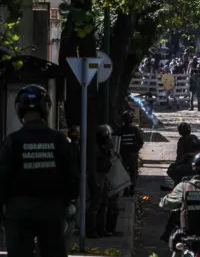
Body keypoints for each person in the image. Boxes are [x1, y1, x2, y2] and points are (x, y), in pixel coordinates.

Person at [0, 84, 78, 257]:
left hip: (18, 212)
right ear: (46, 108)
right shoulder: (59, 140)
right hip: (51, 211)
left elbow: (3, 178)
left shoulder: (12, 141)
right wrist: (65, 203)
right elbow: (72, 177)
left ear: (19, 108)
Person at [86, 125, 114, 238]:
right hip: (98, 178)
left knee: (104, 204)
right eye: (109, 137)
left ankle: (101, 229)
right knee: (95, 206)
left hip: (103, 177)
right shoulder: (96, 149)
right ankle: (91, 230)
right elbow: (92, 167)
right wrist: (96, 182)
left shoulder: (103, 148)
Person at [117, 110, 144, 196]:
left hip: (123, 154)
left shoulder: (120, 130)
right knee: (133, 172)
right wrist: (135, 150)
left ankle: (126, 189)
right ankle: (132, 188)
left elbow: (117, 142)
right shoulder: (134, 129)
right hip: (132, 154)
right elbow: (140, 141)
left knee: (124, 172)